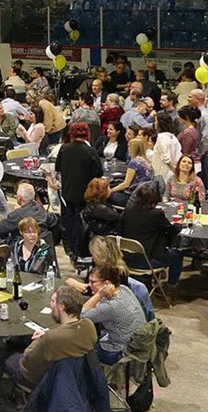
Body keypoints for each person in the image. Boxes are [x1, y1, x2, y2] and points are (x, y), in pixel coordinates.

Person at [119, 183, 183, 285]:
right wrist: (179, 225)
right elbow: (172, 230)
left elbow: (120, 231)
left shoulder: (127, 211)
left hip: (125, 258)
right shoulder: (156, 214)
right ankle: (172, 284)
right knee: (177, 255)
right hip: (146, 261)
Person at [83, 265, 147, 365]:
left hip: (119, 351)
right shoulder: (124, 289)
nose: (89, 285)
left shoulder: (111, 306)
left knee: (81, 348)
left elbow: (81, 315)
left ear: (107, 284)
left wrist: (99, 295)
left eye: (92, 282)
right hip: (137, 345)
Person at [54, 122, 101, 257]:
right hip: (85, 193)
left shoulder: (64, 148)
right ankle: (79, 248)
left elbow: (57, 168)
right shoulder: (91, 151)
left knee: (69, 218)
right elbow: (98, 172)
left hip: (68, 190)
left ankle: (69, 247)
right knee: (81, 220)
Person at [108, 136, 152, 207]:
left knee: (104, 195)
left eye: (129, 147)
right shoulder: (147, 162)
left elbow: (126, 184)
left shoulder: (134, 162)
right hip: (143, 196)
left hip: (131, 196)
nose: (128, 149)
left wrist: (111, 190)